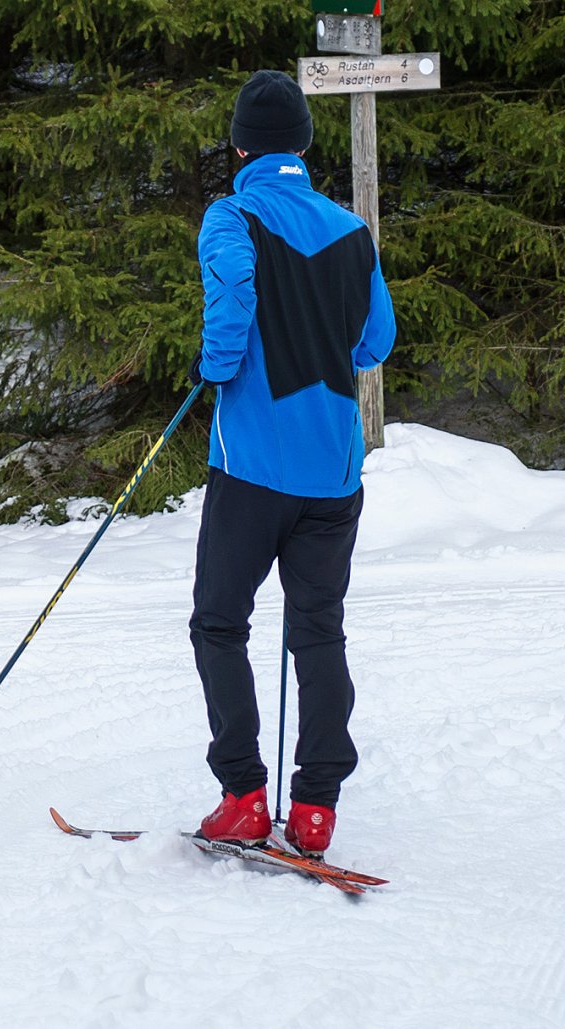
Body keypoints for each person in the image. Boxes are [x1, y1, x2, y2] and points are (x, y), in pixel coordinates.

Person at [187, 69, 395, 857]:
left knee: (219, 621)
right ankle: (314, 809)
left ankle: (243, 795)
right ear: (303, 146)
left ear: (240, 147)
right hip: (332, 476)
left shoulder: (231, 216)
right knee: (317, 631)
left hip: (250, 470)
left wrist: (215, 366)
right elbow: (375, 342)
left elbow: (233, 298)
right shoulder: (350, 229)